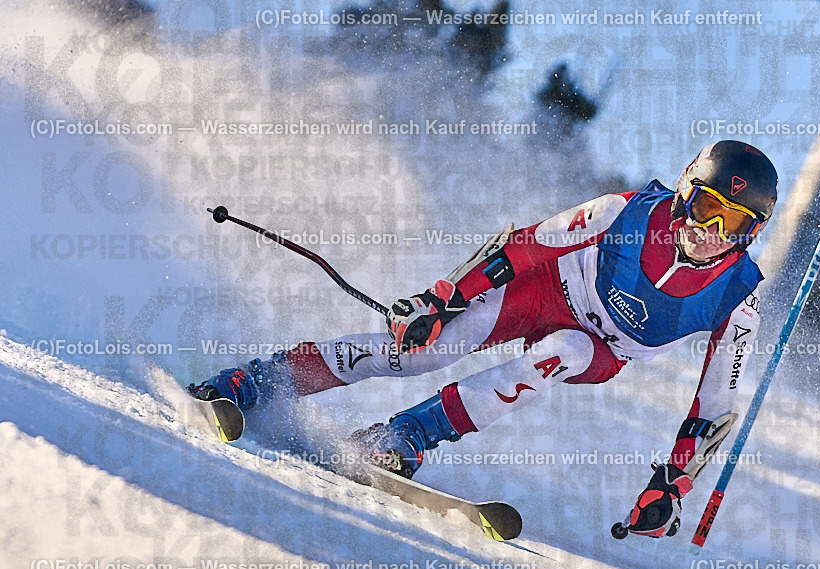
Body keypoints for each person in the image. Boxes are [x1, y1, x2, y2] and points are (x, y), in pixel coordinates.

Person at [188, 140, 778, 538]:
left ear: (751, 235)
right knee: (421, 350)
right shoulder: (625, 212)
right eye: (706, 206)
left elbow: (714, 406)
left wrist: (672, 485)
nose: (709, 232)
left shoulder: (738, 297)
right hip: (545, 289)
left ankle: (402, 438)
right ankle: (254, 382)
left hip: (599, 348)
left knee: (560, 355)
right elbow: (523, 246)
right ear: (682, 195)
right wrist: (440, 302)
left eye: (733, 224)